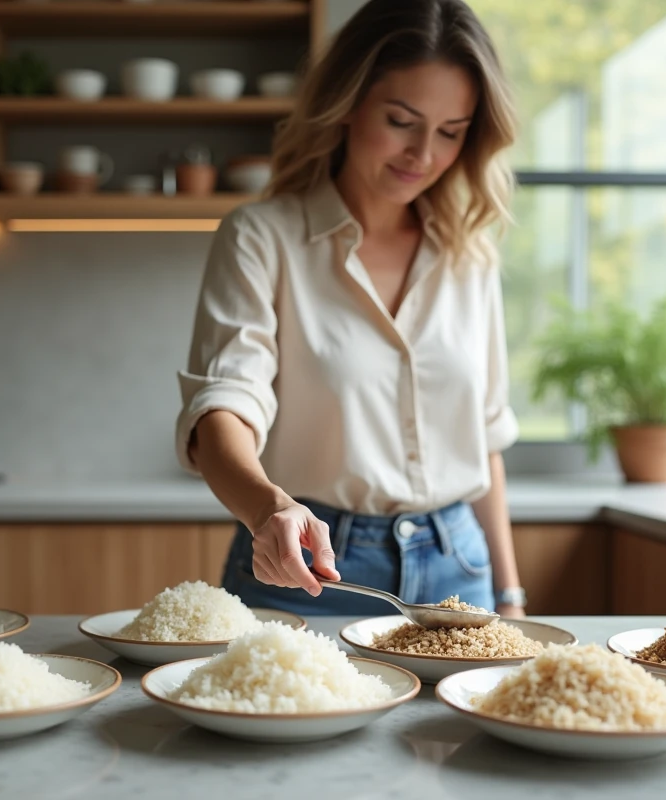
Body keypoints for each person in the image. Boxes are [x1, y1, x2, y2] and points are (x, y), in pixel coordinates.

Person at [175, 0, 527, 619]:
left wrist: (510, 594)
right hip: (309, 565)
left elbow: (486, 436)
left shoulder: (470, 253)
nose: (423, 153)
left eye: (451, 131)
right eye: (401, 120)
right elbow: (223, 405)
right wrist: (269, 508)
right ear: (346, 105)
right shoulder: (263, 237)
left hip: (459, 570)